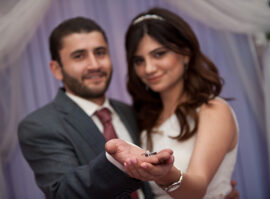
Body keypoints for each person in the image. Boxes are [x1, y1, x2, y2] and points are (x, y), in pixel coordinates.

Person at [17, 16, 174, 199]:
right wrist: (116, 162)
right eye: (79, 56)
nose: (95, 65)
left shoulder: (129, 111)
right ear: (57, 69)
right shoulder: (39, 126)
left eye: (100, 52)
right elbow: (63, 193)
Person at [108, 7, 239, 199]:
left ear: (185, 53)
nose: (149, 68)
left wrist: (165, 175)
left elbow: (197, 188)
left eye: (159, 54)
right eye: (139, 60)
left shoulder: (213, 110)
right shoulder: (145, 120)